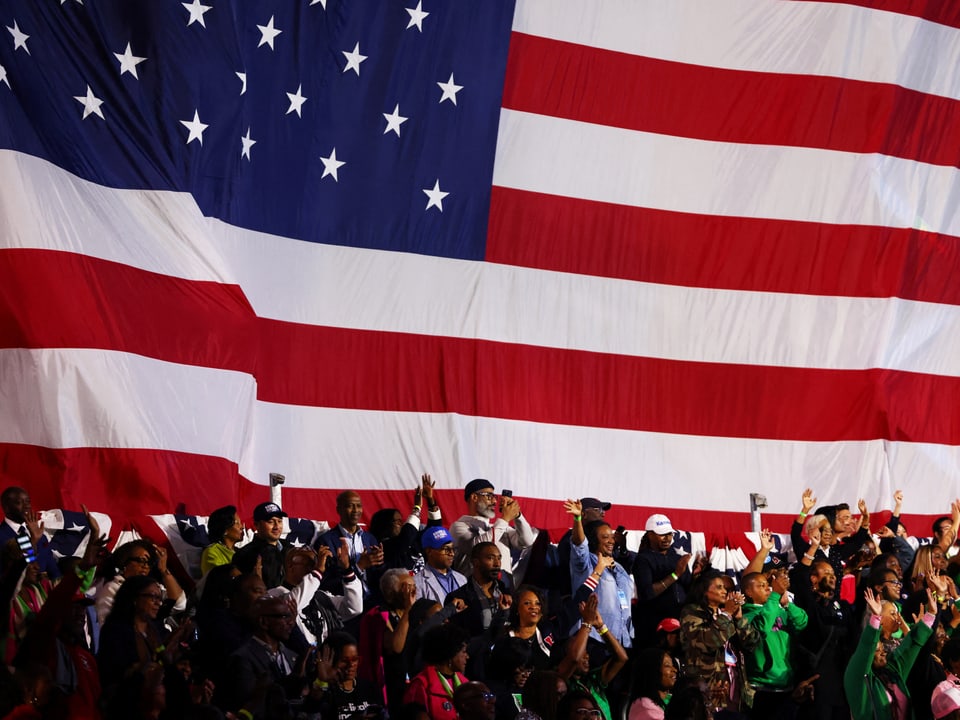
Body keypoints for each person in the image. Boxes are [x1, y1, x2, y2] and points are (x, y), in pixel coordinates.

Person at [844, 587, 936, 720]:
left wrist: (931, 615)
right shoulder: (858, 678)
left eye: (882, 650)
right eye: (877, 650)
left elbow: (910, 649)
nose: (883, 653)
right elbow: (865, 649)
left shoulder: (891, 672)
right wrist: (876, 618)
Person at [216, 594, 309, 719]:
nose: (292, 622)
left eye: (291, 617)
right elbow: (253, 705)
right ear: (264, 622)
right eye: (285, 617)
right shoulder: (242, 659)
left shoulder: (293, 657)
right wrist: (293, 682)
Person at [679, 570, 759, 715]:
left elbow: (752, 643)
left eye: (725, 588)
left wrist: (739, 618)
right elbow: (707, 642)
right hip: (707, 686)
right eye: (719, 587)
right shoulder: (692, 612)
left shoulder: (728, 613)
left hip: (734, 682)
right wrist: (726, 614)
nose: (725, 591)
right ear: (704, 591)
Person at [565, 499, 634, 650]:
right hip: (594, 640)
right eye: (604, 537)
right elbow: (579, 544)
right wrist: (577, 519)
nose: (611, 541)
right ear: (594, 540)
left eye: (612, 537)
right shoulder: (585, 563)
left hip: (622, 641)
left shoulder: (620, 568)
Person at [740, 570, 808, 719]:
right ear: (748, 592)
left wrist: (787, 604)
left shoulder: (777, 608)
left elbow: (801, 623)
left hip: (786, 686)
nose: (767, 588)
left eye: (767, 585)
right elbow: (762, 627)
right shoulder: (746, 615)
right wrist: (774, 597)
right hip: (761, 687)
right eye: (761, 585)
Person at [633, 512, 704, 647]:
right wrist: (675, 575)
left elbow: (689, 590)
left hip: (679, 623)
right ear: (650, 535)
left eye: (670, 534)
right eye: (662, 534)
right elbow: (646, 593)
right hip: (653, 626)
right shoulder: (643, 560)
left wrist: (697, 575)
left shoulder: (677, 557)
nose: (667, 538)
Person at [358, 567, 418, 714]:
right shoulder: (379, 615)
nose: (413, 592)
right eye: (407, 587)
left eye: (414, 586)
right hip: (393, 688)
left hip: (416, 685)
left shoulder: (418, 613)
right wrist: (409, 610)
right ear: (392, 593)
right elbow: (395, 646)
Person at [450, 479, 535, 581]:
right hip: (474, 591)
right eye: (489, 496)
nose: (495, 501)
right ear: (474, 497)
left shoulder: (499, 527)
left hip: (504, 591)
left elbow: (527, 541)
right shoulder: (459, 526)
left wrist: (518, 516)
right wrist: (505, 518)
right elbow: (479, 549)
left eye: (495, 497)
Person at [94, 539, 185, 625]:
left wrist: (164, 570)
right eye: (142, 561)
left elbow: (180, 604)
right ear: (125, 563)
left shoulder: (154, 588)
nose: (146, 566)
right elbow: (109, 627)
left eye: (149, 563)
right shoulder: (113, 588)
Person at [316, 491, 385, 603]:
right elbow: (326, 582)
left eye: (358, 506)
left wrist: (379, 562)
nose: (355, 510)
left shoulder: (370, 539)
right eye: (349, 506)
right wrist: (359, 566)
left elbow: (377, 576)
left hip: (371, 602)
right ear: (338, 510)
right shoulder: (326, 541)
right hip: (344, 605)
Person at [403, 624, 470, 720]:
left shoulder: (465, 683)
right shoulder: (421, 686)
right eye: (463, 652)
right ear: (450, 653)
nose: (467, 656)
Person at [315, 631, 385, 720]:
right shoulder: (325, 691)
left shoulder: (370, 688)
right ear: (331, 660)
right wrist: (323, 681)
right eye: (344, 660)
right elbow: (312, 709)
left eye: (355, 659)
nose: (351, 664)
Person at [0, 487, 58, 578]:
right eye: (19, 502)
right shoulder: (2, 536)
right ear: (7, 508)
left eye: (27, 501)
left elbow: (54, 572)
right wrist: (33, 541)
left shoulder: (40, 536)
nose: (27, 506)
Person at [233, 501, 290, 589]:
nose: (276, 526)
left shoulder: (290, 549)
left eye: (279, 521)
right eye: (271, 522)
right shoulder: (245, 555)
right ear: (256, 525)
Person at [413, 526, 467, 605]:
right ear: (429, 551)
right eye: (446, 549)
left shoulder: (461, 579)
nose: (452, 553)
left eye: (453, 549)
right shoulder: (417, 583)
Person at [628, 647, 678, 720]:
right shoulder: (644, 706)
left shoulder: (672, 698)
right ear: (652, 671)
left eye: (673, 665)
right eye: (667, 666)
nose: (675, 670)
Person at [200, 505, 244, 576]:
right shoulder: (211, 553)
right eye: (237, 523)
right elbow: (219, 579)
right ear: (225, 530)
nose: (242, 527)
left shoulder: (241, 552)